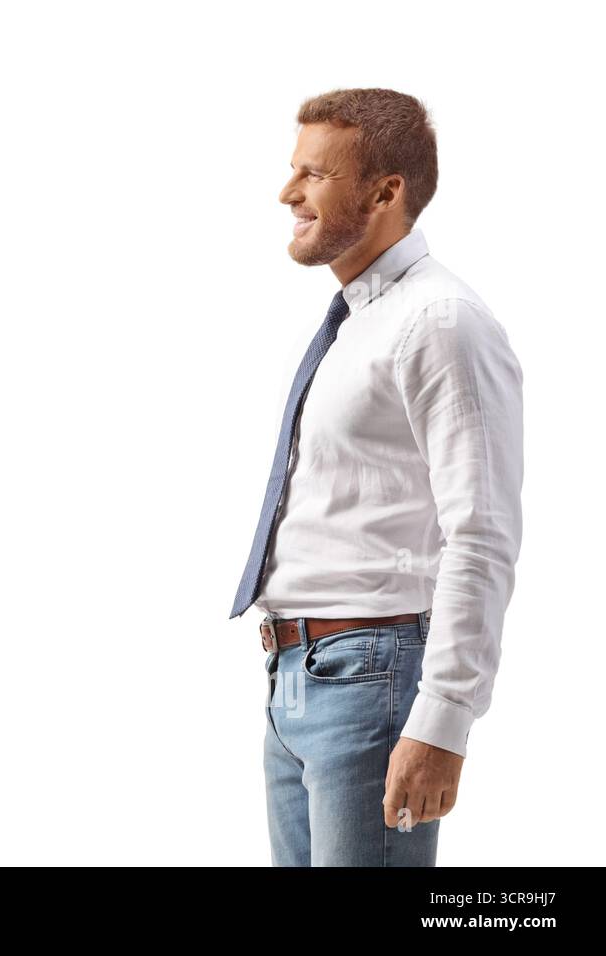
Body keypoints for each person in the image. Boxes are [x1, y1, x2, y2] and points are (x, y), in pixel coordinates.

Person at [228, 88, 522, 866]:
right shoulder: (361, 322)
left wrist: (443, 719)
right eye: (293, 170)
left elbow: (482, 529)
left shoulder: (440, 321)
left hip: (372, 678)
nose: (287, 192)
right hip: (295, 676)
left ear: (386, 191)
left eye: (314, 175)